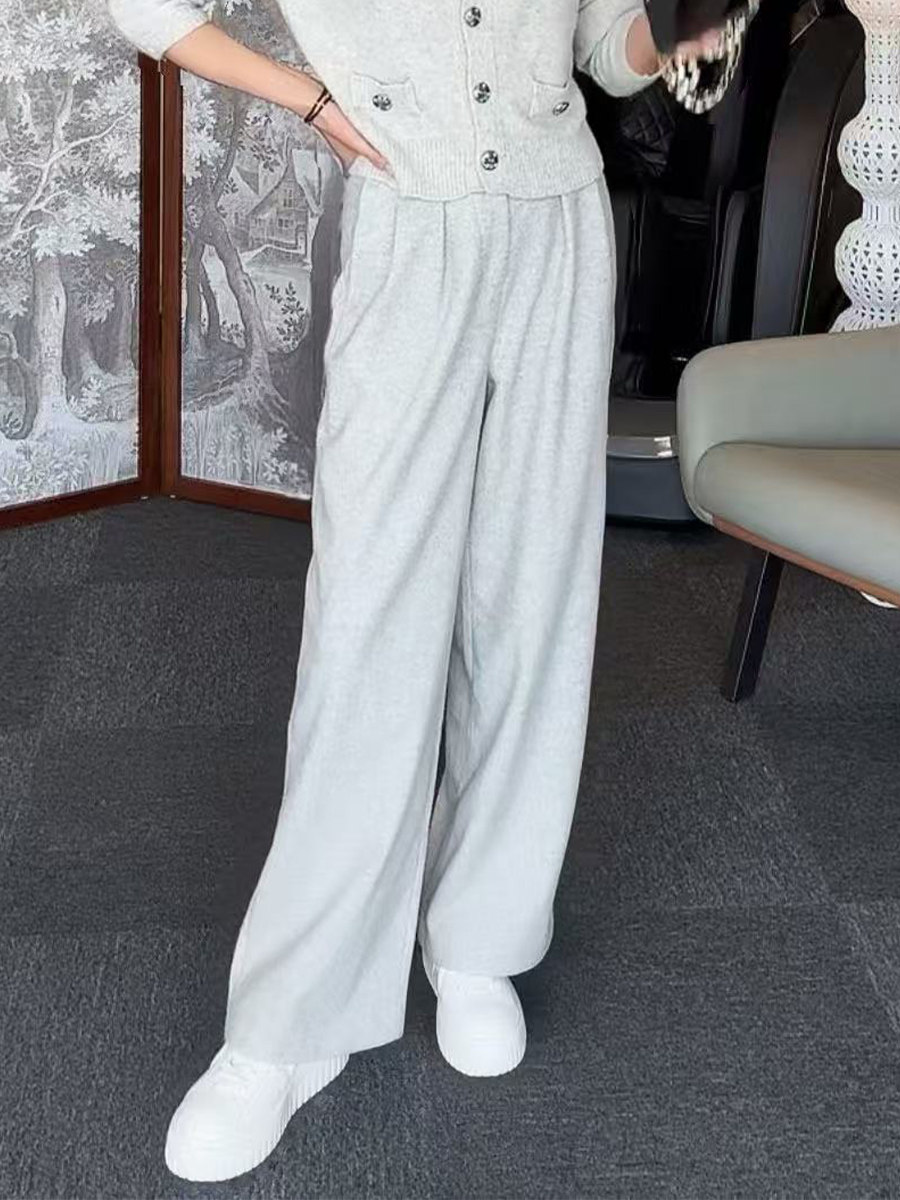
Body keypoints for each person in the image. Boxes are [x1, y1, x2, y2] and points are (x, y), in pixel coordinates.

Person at [106, 0, 721, 1182]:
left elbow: (609, 54)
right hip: (407, 225)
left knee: (532, 599)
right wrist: (310, 100)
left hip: (560, 230)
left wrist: (683, 28)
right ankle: (289, 1025)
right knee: (367, 625)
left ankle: (479, 936)